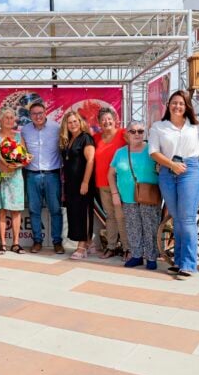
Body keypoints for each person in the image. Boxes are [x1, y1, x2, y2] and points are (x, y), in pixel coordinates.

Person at [149, 90, 199, 279]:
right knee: (177, 219)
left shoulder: (196, 127)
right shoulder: (159, 127)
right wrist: (171, 165)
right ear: (168, 105)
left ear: (187, 106)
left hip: (190, 170)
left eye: (181, 103)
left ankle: (189, 264)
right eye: (174, 102)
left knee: (187, 219)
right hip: (167, 171)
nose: (177, 106)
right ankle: (179, 261)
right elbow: (153, 152)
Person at [110, 121, 161, 270]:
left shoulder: (152, 151)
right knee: (133, 227)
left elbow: (162, 168)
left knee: (150, 227)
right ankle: (137, 256)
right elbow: (110, 174)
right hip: (127, 197)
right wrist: (114, 193)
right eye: (133, 131)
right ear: (127, 134)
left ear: (145, 133)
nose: (137, 134)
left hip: (149, 196)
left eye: (140, 131)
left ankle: (151, 257)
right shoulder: (120, 152)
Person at [21, 101, 64, 254]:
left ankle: (57, 242)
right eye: (34, 114)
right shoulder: (25, 130)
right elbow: (22, 151)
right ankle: (37, 241)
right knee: (34, 210)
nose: (37, 116)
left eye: (40, 113)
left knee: (55, 210)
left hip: (52, 175)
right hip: (32, 175)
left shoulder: (56, 128)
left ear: (45, 113)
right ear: (30, 115)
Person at [59, 110, 95, 260]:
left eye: (75, 121)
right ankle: (89, 242)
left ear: (80, 122)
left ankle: (82, 247)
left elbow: (90, 160)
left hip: (82, 183)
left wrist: (85, 182)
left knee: (82, 213)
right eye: (70, 122)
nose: (73, 124)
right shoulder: (68, 140)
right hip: (71, 184)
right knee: (74, 213)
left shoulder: (86, 138)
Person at [93, 107, 128, 259]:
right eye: (103, 120)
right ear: (99, 123)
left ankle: (127, 248)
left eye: (109, 119)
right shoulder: (95, 138)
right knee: (110, 217)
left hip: (120, 184)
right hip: (102, 184)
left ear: (115, 120)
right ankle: (111, 247)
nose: (106, 122)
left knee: (121, 216)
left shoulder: (123, 134)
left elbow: (136, 147)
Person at [0, 107, 26, 254]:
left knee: (16, 210)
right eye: (6, 117)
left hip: (15, 178)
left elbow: (24, 158)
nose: (9, 120)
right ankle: (3, 243)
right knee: (2, 209)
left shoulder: (18, 137)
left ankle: (16, 243)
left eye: (12, 118)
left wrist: (14, 165)